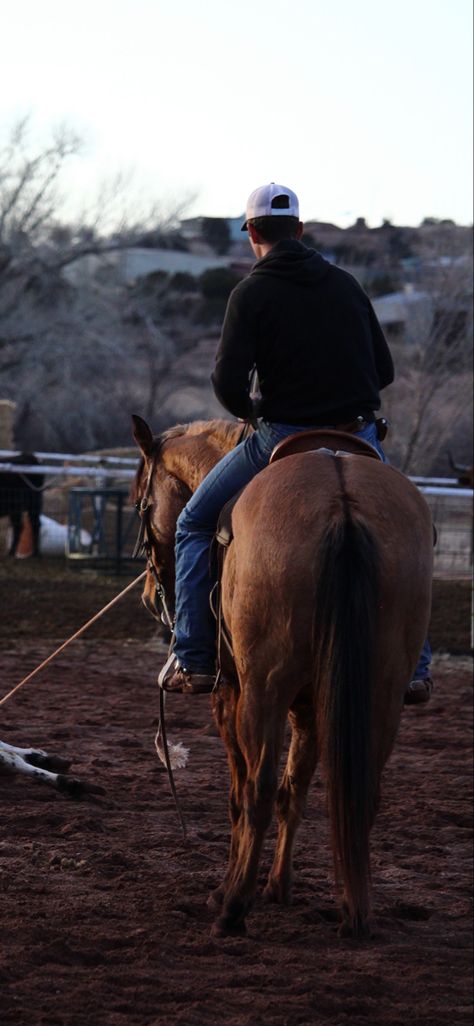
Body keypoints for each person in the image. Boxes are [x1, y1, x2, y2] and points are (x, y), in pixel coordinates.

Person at [162, 182, 433, 703]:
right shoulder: (348, 285)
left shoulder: (250, 292)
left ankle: (194, 657)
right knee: (414, 529)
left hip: (283, 434)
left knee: (194, 522)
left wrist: (253, 413)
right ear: (301, 230)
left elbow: (227, 384)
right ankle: (416, 667)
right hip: (359, 433)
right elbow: (385, 370)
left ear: (253, 234)